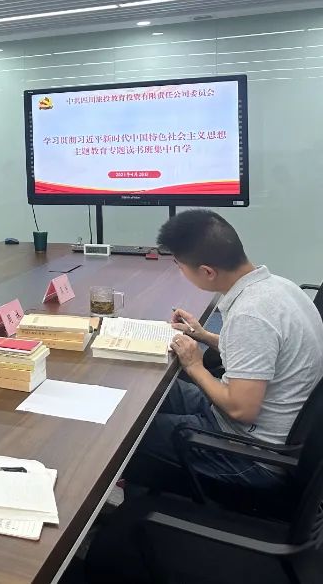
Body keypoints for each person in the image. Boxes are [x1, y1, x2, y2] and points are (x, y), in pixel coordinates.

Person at [125, 209, 323, 492]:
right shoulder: (280, 287)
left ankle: (128, 498)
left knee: (127, 434)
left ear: (207, 272)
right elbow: (264, 352)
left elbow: (241, 410)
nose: (180, 272)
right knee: (147, 390)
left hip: (251, 454)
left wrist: (195, 366)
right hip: (271, 426)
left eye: (180, 266)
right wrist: (204, 336)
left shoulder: (251, 314)